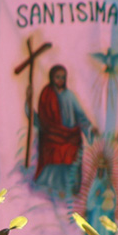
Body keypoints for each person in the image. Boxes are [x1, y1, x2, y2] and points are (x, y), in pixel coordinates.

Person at [35, 65, 95, 198]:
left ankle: (70, 188)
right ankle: (53, 189)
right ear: (52, 77)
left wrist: (90, 128)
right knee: (55, 156)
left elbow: (80, 115)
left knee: (71, 156)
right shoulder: (47, 95)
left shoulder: (70, 95)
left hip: (70, 135)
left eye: (63, 77)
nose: (60, 80)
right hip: (52, 136)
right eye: (57, 77)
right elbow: (43, 119)